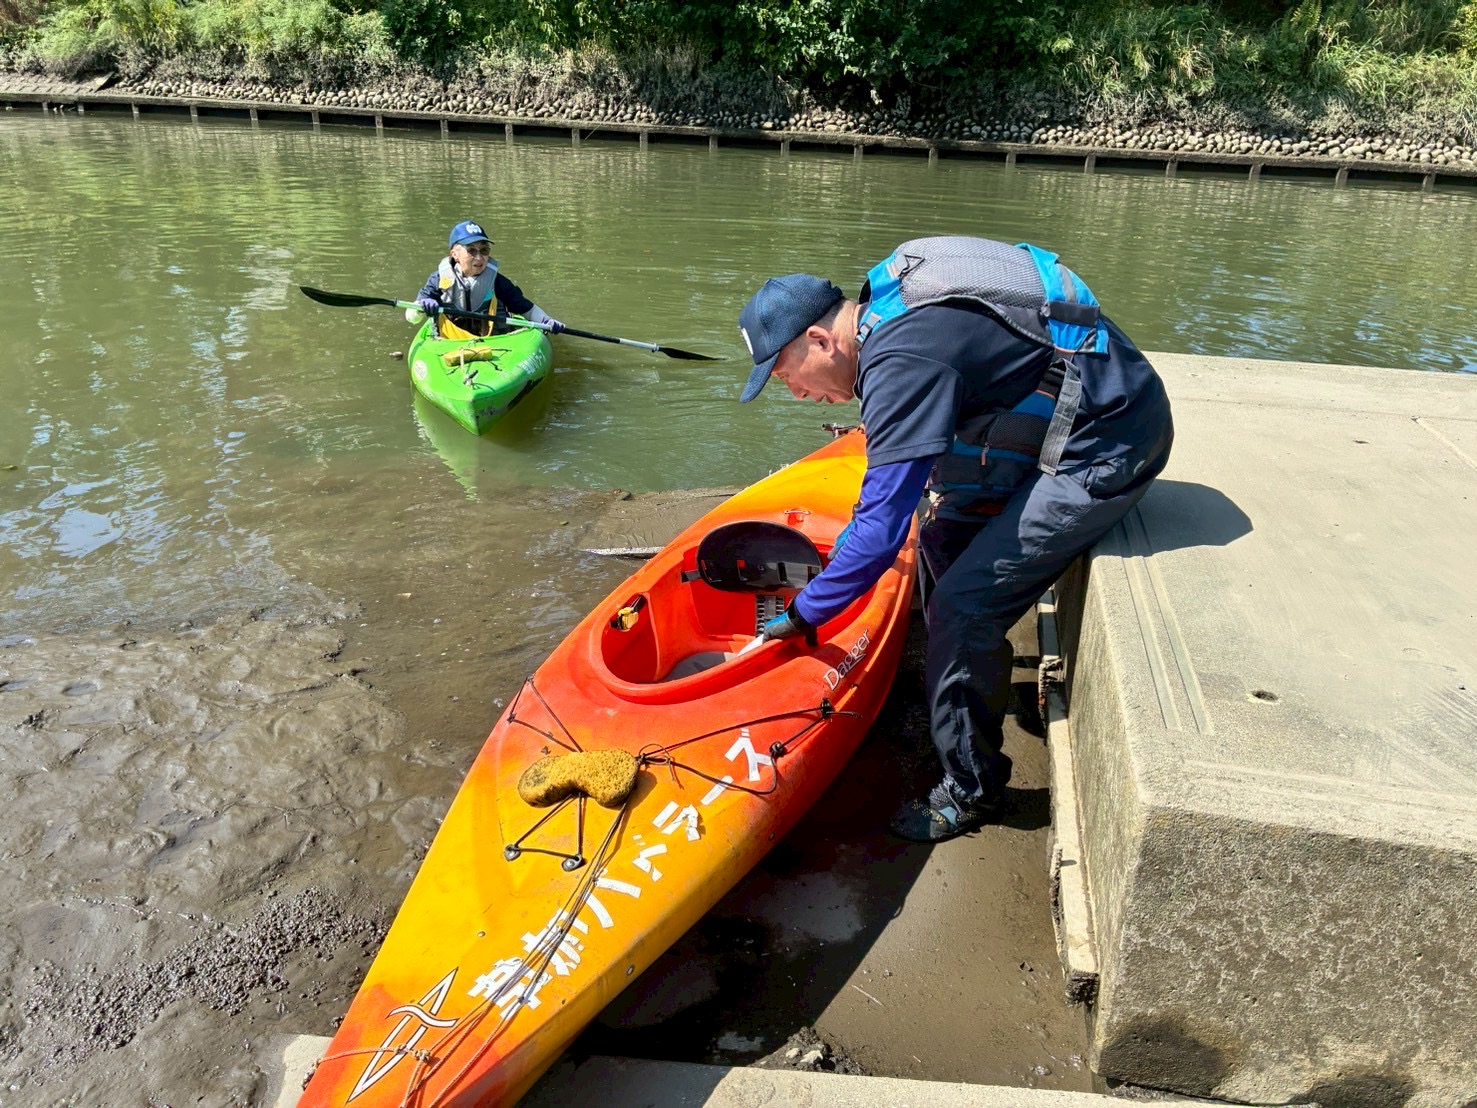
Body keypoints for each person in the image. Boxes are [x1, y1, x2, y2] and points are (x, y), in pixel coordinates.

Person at [736, 236, 1173, 842]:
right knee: (942, 533)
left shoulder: (903, 359)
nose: (798, 394)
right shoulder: (886, 301)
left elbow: (879, 533)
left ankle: (973, 791)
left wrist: (802, 614)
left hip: (1107, 440)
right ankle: (960, 684)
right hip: (1061, 402)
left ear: (820, 340)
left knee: (964, 607)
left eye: (787, 376)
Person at [410, 220, 564, 339]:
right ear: (454, 254)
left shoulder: (497, 281)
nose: (479, 257)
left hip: (493, 340)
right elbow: (411, 318)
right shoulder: (438, 279)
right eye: (471, 250)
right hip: (450, 339)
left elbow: (527, 309)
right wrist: (420, 307)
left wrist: (546, 321)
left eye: (484, 250)